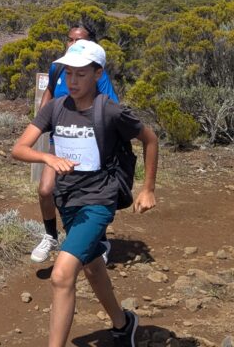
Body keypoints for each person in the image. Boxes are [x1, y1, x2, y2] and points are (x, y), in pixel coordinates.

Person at [11, 40, 158, 347]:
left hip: (98, 201)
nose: (72, 81)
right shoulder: (55, 108)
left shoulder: (111, 110)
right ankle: (123, 323)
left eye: (80, 74)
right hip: (67, 200)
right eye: (68, 74)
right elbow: (19, 148)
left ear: (97, 74)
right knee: (92, 267)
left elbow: (150, 139)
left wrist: (148, 189)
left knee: (62, 274)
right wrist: (47, 158)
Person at [31, 24, 119, 263]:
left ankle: (98, 240)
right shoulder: (58, 67)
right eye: (70, 39)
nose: (73, 44)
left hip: (87, 142)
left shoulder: (95, 74)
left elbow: (110, 106)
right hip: (60, 139)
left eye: (79, 40)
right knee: (46, 190)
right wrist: (43, 116)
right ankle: (51, 236)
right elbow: (50, 90)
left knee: (87, 194)